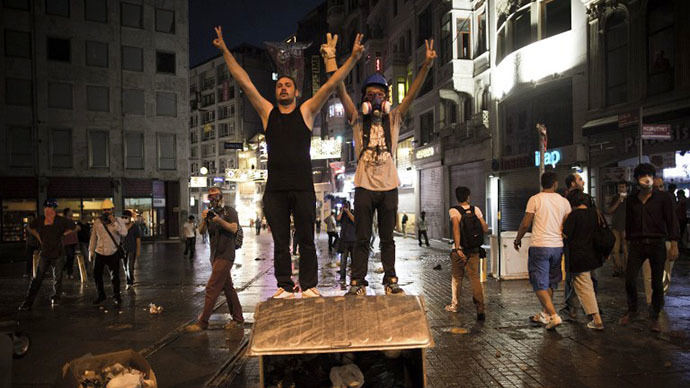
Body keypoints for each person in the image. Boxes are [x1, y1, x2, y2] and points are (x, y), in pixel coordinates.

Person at [213, 27, 362, 299]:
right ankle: (283, 285)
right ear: (276, 91)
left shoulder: (306, 111)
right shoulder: (268, 113)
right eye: (279, 85)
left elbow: (330, 85)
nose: (283, 88)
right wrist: (224, 51)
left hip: (304, 187)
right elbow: (244, 81)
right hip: (276, 191)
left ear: (296, 91)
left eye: (288, 85)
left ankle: (308, 286)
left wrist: (352, 58)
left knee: (306, 240)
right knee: (281, 242)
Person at [323, 34, 437, 296]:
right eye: (370, 95)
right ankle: (357, 283)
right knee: (362, 238)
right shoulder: (356, 118)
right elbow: (338, 87)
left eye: (380, 94)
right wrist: (331, 58)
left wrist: (426, 66)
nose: (375, 99)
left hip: (389, 187)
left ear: (386, 98)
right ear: (364, 99)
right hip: (363, 186)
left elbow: (412, 93)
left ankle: (390, 280)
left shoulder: (394, 117)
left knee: (388, 239)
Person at [619, 163, 679, 333]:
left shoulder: (664, 197)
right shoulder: (632, 199)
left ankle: (654, 316)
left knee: (657, 283)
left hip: (657, 243)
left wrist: (674, 244)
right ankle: (633, 310)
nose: (646, 179)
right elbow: (629, 222)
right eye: (642, 176)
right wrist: (627, 243)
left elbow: (671, 221)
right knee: (630, 278)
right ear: (637, 180)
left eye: (649, 176)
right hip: (636, 244)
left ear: (653, 177)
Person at [514, 172, 571, 330]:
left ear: (542, 184)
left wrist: (518, 239)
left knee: (539, 283)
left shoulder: (535, 199)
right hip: (557, 247)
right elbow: (567, 224)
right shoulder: (564, 202)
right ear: (555, 184)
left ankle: (553, 315)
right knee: (551, 281)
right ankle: (545, 314)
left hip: (540, 246)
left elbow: (526, 223)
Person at [185, 187, 244, 332]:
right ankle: (238, 318)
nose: (213, 200)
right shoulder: (210, 214)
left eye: (215, 196)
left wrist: (218, 220)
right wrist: (205, 219)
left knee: (212, 287)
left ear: (221, 197)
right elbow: (200, 231)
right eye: (210, 197)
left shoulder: (229, 211)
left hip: (226, 254)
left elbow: (233, 228)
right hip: (215, 256)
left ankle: (203, 322)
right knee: (228, 288)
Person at [19, 199, 79, 309]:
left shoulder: (61, 220)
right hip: (45, 253)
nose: (47, 210)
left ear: (54, 210)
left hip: (58, 253)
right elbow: (29, 227)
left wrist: (64, 234)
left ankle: (56, 296)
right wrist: (38, 236)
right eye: (46, 208)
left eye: (50, 208)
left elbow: (76, 227)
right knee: (37, 278)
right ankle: (28, 302)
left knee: (58, 277)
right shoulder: (40, 220)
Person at [563, 190, 605, 330]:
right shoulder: (595, 214)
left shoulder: (574, 216)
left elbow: (566, 234)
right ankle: (573, 308)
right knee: (582, 284)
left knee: (585, 287)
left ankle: (596, 318)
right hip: (592, 255)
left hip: (578, 257)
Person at [445, 187, 488, 320]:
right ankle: (480, 306)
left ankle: (455, 304)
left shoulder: (454, 211)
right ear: (468, 197)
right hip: (474, 250)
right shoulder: (476, 210)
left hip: (460, 250)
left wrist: (458, 248)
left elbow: (456, 229)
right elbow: (485, 228)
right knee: (474, 278)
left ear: (457, 197)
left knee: (457, 278)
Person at [641, 178, 675, 306]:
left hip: (665, 242)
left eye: (661, 186)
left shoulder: (667, 201)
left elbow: (673, 223)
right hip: (648, 243)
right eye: (657, 187)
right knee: (649, 274)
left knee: (665, 274)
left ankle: (660, 298)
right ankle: (651, 301)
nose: (659, 189)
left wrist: (674, 244)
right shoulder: (643, 202)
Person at [90, 199, 128, 307]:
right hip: (99, 252)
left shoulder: (118, 220)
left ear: (112, 210)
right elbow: (93, 237)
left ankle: (117, 296)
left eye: (109, 209)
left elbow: (124, 233)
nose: (107, 212)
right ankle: (101, 295)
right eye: (105, 210)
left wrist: (114, 222)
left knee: (115, 276)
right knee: (97, 275)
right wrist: (91, 251)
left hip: (113, 252)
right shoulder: (98, 222)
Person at [607, 182, 628, 277]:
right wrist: (618, 201)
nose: (621, 189)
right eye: (619, 187)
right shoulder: (615, 198)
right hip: (615, 226)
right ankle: (617, 268)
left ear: (626, 188)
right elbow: (610, 211)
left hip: (626, 226)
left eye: (623, 187)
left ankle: (626, 269)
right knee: (615, 249)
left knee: (626, 249)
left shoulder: (630, 199)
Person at [121, 210, 141, 289]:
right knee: (125, 267)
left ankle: (130, 282)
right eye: (123, 217)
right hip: (123, 250)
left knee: (130, 266)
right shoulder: (121, 227)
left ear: (130, 218)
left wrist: (138, 250)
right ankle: (129, 280)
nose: (125, 219)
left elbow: (138, 239)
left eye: (126, 217)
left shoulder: (135, 227)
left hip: (132, 249)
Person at [338, 201, 356, 287]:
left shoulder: (352, 212)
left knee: (354, 261)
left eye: (346, 205)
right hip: (344, 241)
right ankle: (342, 278)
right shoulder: (342, 214)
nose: (345, 207)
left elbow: (355, 220)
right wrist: (341, 211)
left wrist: (348, 211)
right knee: (343, 261)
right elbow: (338, 219)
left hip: (353, 240)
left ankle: (354, 277)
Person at [61, 208, 79, 279]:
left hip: (73, 241)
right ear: (67, 212)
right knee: (70, 256)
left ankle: (69, 272)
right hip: (67, 242)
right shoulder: (64, 221)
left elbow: (76, 229)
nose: (72, 212)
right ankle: (66, 269)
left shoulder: (72, 220)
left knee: (71, 258)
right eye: (71, 211)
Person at [24, 214, 39, 278]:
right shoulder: (27, 226)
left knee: (37, 259)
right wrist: (27, 244)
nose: (29, 220)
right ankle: (28, 272)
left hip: (36, 244)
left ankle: (37, 272)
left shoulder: (36, 226)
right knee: (29, 259)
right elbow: (27, 237)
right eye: (28, 218)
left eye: (31, 218)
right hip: (30, 244)